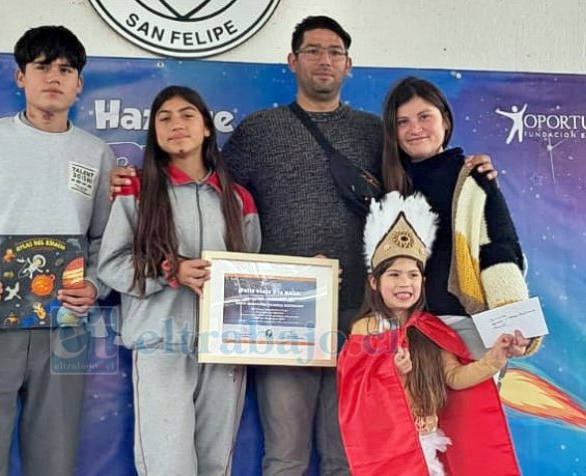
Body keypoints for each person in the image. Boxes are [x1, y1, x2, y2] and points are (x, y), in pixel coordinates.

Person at [109, 17, 496, 475]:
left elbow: (417, 189)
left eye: (334, 52)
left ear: (349, 65)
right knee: (285, 453)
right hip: (281, 316)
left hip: (362, 316)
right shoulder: (259, 131)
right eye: (312, 51)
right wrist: (137, 178)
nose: (324, 60)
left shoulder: (376, 133)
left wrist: (468, 171)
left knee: (346, 452)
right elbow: (207, 182)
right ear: (293, 61)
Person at [0, 26, 114, 476]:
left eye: (65, 69)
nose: (54, 77)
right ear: (20, 77)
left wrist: (93, 284)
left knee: (55, 458)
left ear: (79, 84)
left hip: (66, 324)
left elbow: (107, 242)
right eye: (41, 67)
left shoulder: (96, 153)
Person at [97, 85, 261, 476]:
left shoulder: (239, 199)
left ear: (207, 127)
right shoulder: (135, 189)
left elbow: (255, 275)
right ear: (154, 131)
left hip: (224, 350)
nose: (176, 125)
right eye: (164, 118)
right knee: (167, 463)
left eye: (187, 115)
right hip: (160, 342)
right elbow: (112, 265)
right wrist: (171, 271)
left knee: (215, 462)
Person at [338, 191, 529, 476]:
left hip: (428, 446)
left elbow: (454, 377)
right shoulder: (365, 329)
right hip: (387, 453)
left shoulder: (430, 329)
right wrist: (392, 369)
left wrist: (493, 359)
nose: (405, 283)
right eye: (394, 275)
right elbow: (357, 395)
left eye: (412, 275)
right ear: (374, 282)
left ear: (423, 282)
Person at [380, 76, 541, 359]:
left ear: (445, 120)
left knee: (472, 405)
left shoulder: (473, 178)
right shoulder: (385, 185)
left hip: (465, 327)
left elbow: (499, 250)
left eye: (424, 116)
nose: (414, 128)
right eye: (402, 122)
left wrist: (518, 329)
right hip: (402, 332)